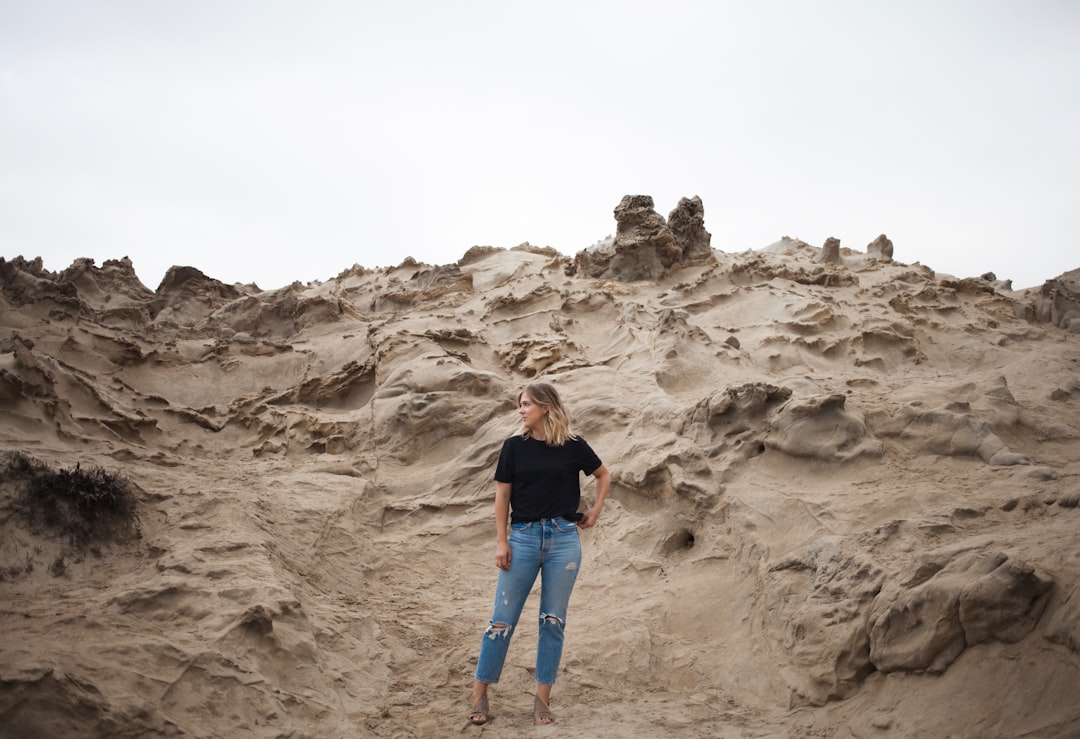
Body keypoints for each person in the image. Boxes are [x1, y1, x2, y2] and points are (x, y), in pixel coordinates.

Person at [468, 382, 611, 726]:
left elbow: (604, 475)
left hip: (564, 540)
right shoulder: (513, 447)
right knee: (501, 622)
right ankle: (479, 695)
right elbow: (502, 498)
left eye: (527, 403)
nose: (521, 409)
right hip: (523, 539)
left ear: (546, 406)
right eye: (520, 404)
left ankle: (542, 700)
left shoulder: (573, 445)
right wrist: (501, 541)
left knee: (553, 622)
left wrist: (595, 511)